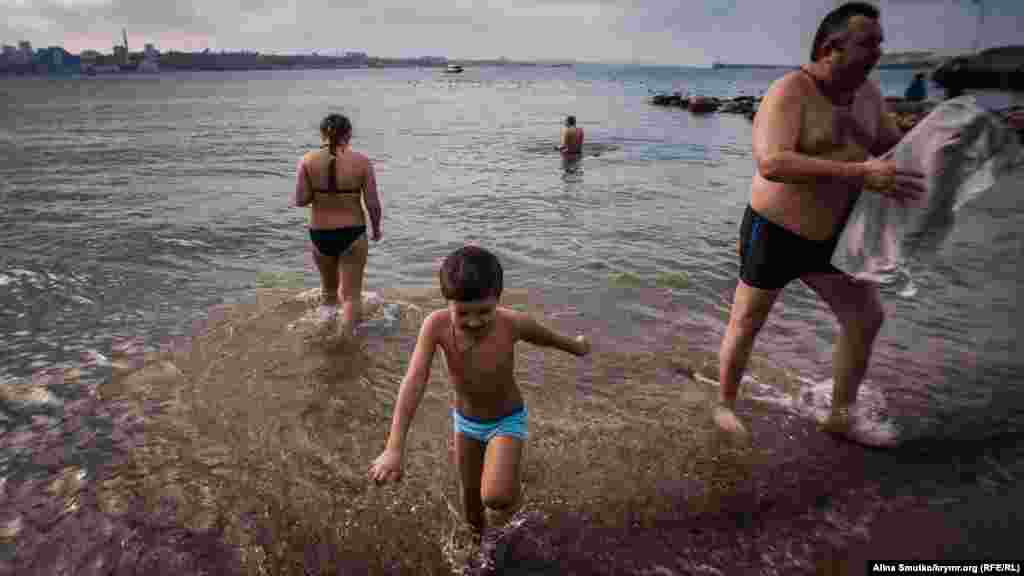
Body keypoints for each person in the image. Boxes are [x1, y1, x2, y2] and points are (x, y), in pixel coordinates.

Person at [713, 2, 926, 446]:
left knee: (866, 317)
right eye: (869, 43)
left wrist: (944, 137)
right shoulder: (790, 91)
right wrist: (862, 173)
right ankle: (725, 405)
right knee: (748, 320)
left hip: (833, 237)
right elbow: (772, 162)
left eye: (880, 43)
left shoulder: (869, 94)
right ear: (832, 48)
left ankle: (840, 415)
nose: (879, 52)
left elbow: (891, 144)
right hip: (775, 230)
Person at [368, 245, 591, 537]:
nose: (473, 322)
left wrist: (576, 346)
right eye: (463, 313)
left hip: (506, 420)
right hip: (466, 424)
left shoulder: (511, 323)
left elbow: (546, 337)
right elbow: (415, 379)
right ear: (447, 302)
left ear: (498, 300)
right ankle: (480, 551)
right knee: (471, 509)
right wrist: (394, 447)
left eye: (484, 311)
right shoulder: (435, 326)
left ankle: (514, 500)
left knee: (496, 497)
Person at [294, 113, 382, 336]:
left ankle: (324, 333)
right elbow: (372, 202)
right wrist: (376, 228)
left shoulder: (307, 160)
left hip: (320, 233)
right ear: (349, 134)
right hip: (352, 232)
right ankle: (347, 340)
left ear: (322, 134)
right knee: (351, 296)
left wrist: (320, 190)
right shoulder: (361, 161)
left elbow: (300, 200)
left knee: (328, 292)